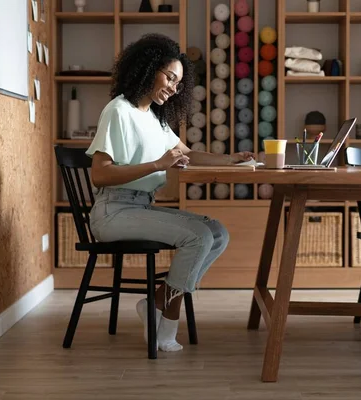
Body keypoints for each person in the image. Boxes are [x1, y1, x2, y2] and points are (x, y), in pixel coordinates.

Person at [85, 33, 254, 352]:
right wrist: (157, 164)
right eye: (170, 78)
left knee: (217, 233)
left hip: (141, 208)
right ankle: (168, 324)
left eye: (178, 83)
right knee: (199, 237)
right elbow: (100, 174)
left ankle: (156, 302)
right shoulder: (118, 111)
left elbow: (186, 153)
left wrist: (231, 158)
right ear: (148, 69)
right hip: (113, 213)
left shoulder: (154, 118)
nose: (174, 88)